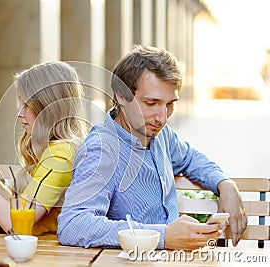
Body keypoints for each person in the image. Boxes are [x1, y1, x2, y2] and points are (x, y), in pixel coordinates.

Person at [57, 45, 247, 250]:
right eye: (151, 103)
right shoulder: (102, 150)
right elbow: (72, 224)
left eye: (169, 104)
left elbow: (190, 158)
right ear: (121, 95)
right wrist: (163, 236)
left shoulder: (161, 134)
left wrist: (226, 185)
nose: (162, 117)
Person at [0, 61, 88, 235]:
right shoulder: (57, 148)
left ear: (49, 107)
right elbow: (21, 209)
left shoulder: (61, 155)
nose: (19, 113)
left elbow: (17, 226)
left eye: (27, 104)